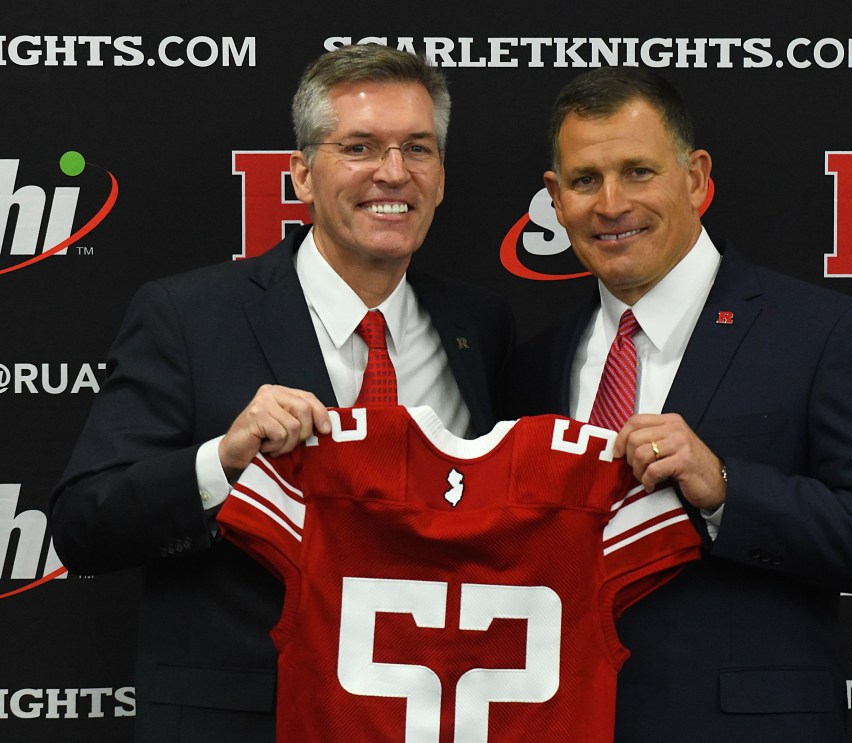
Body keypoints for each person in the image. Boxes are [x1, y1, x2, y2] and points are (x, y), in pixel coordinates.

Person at [49, 44, 513, 743]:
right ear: (301, 173)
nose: (393, 172)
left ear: (441, 176)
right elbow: (83, 524)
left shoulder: (480, 326)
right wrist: (224, 462)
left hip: (433, 716)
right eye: (359, 147)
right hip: (248, 719)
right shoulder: (190, 316)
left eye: (417, 148)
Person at [505, 66, 852, 741]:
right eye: (586, 181)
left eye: (639, 171)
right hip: (559, 721)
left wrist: (725, 488)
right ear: (555, 201)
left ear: (697, 178)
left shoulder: (823, 333)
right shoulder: (535, 363)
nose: (611, 203)